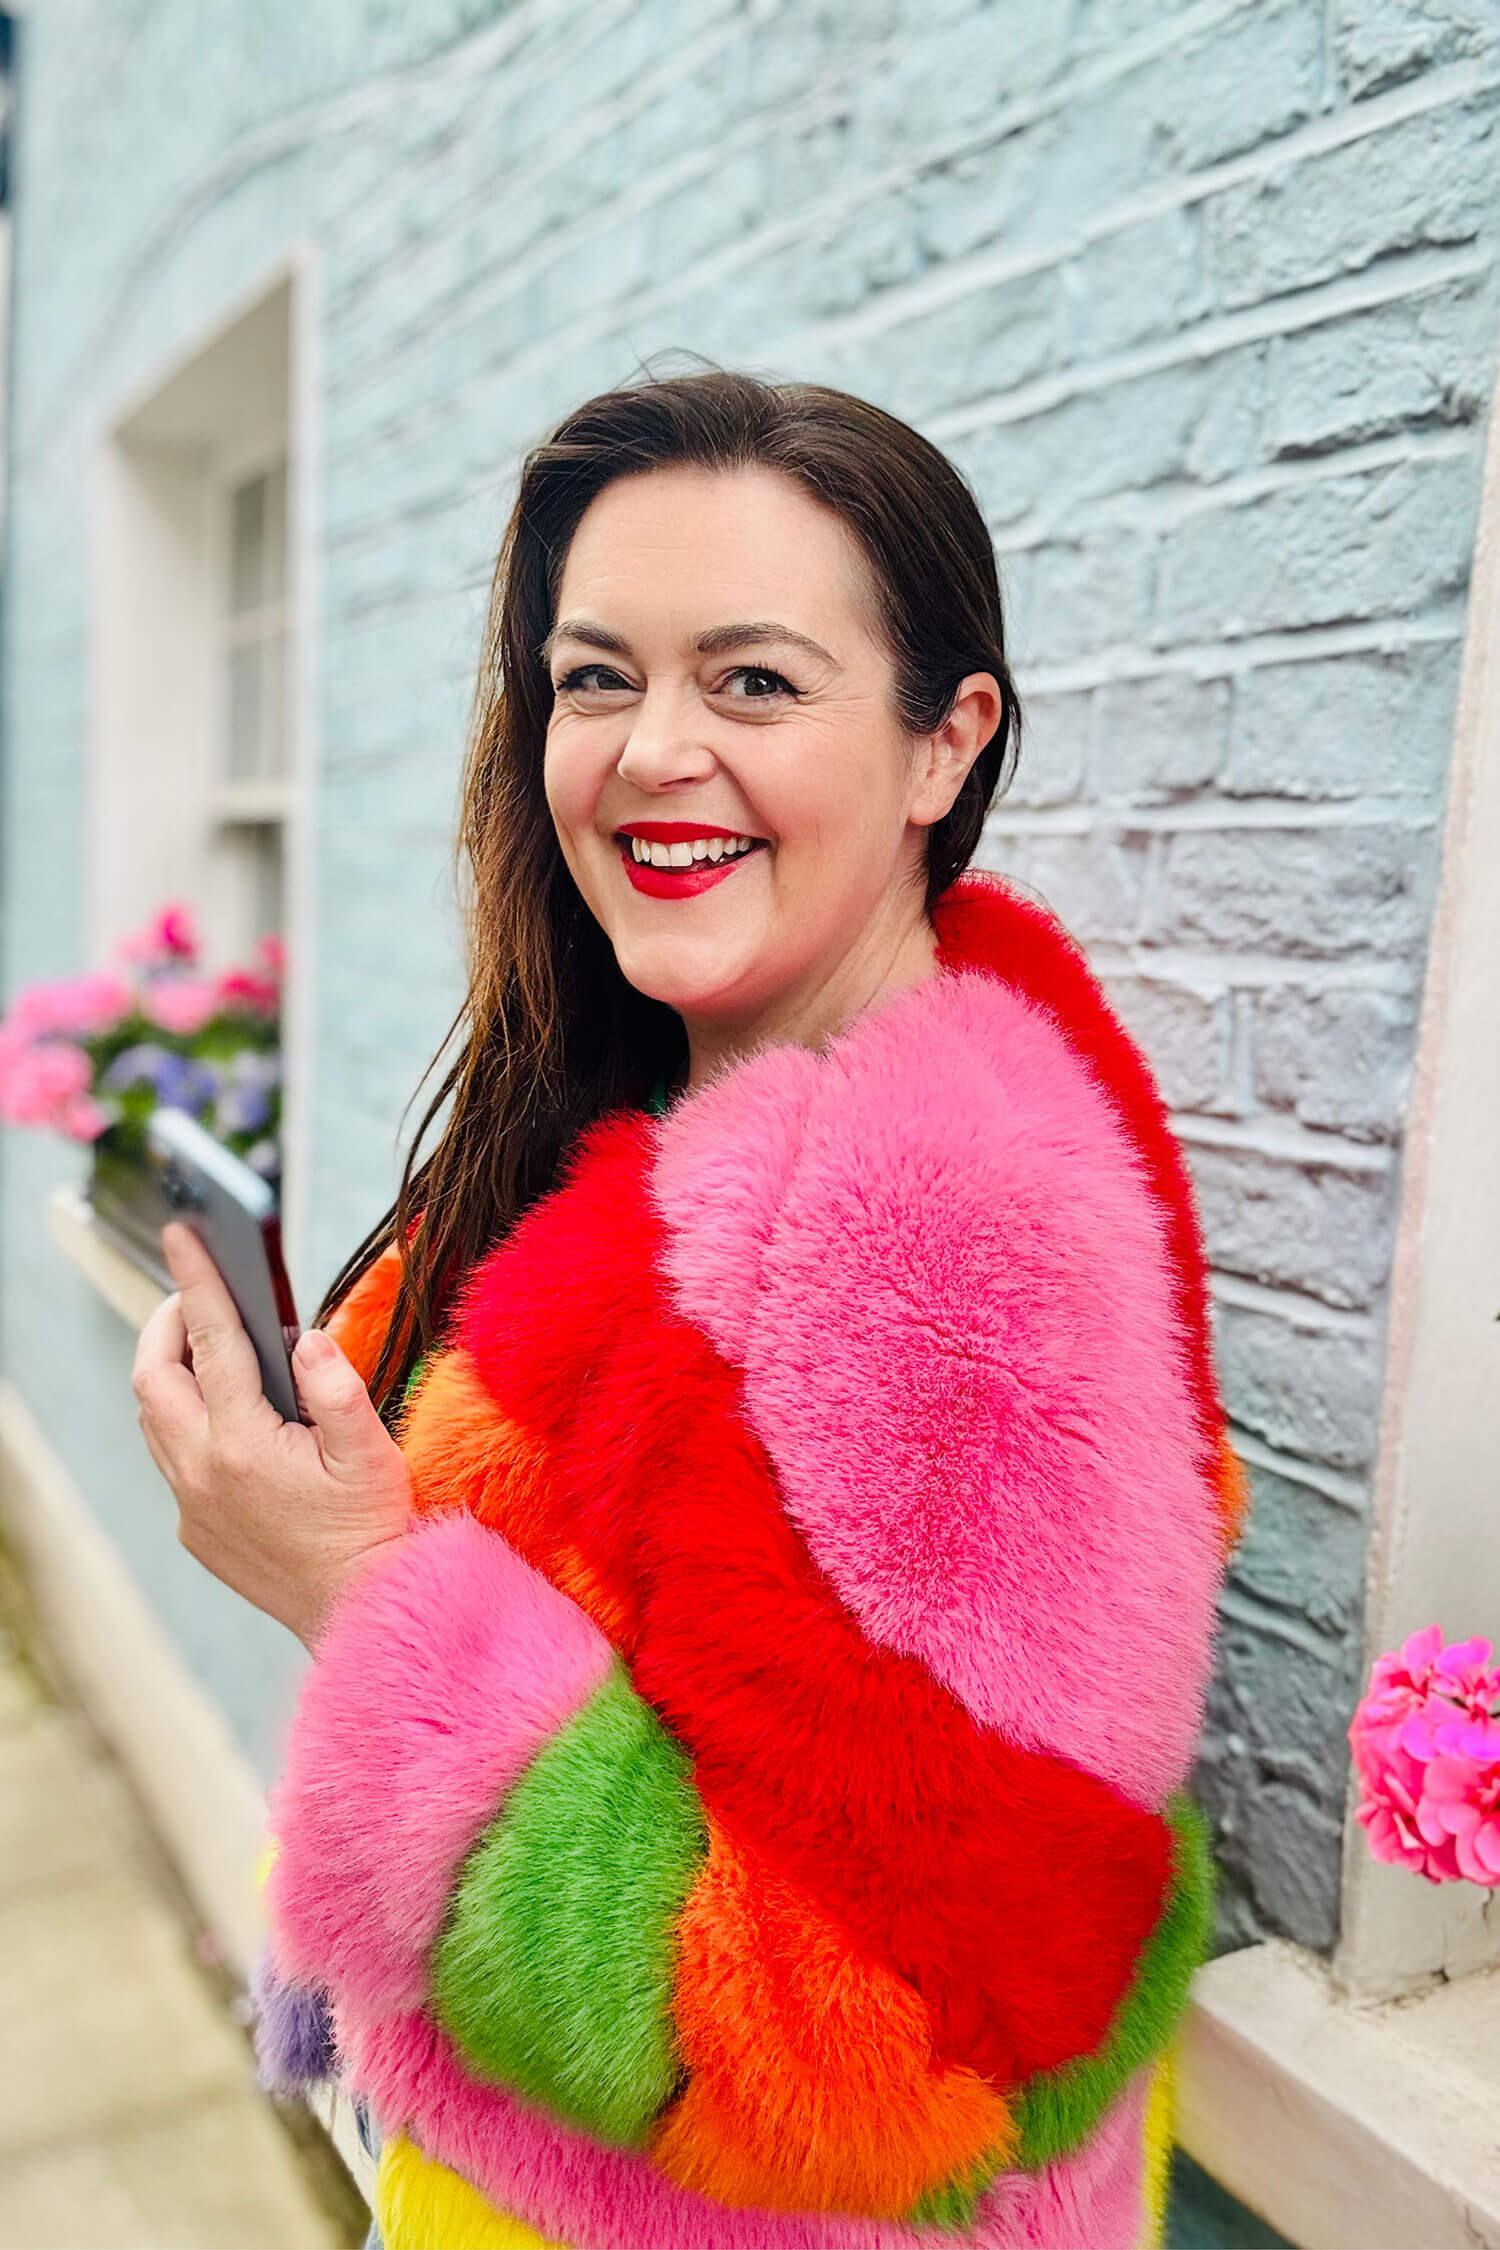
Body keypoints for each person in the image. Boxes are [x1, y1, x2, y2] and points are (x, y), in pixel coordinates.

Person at [133, 368, 1246, 2250]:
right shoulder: (682, 1112)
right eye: (594, 676)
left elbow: (909, 2047)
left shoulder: (957, 1243)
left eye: (753, 681)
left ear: (939, 745)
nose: (652, 751)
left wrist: (362, 1592)